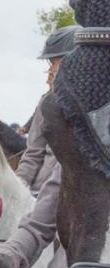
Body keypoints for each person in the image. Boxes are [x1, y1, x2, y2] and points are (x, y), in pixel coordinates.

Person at [16, 25, 78, 194]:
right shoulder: (47, 102)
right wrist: (17, 191)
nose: (50, 72)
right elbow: (33, 154)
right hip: (41, 192)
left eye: (54, 64)